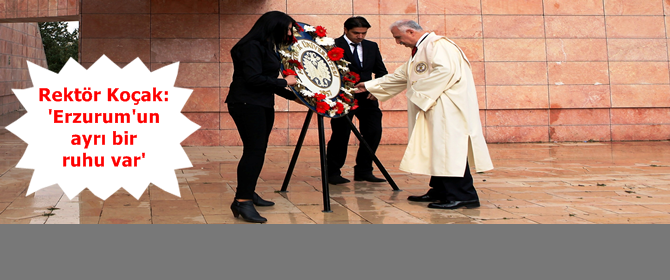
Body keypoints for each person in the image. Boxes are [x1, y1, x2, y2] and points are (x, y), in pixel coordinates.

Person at [355, 20, 494, 209]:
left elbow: (446, 71)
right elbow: (403, 76)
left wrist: (418, 94)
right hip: (435, 107)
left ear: (410, 31)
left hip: (447, 109)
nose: (398, 42)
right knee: (437, 149)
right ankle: (440, 191)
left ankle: (464, 195)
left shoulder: (439, 45)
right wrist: (369, 85)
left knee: (449, 151)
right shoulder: (422, 50)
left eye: (398, 38)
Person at [226, 11, 300, 223]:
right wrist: (286, 83)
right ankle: (242, 200)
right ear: (273, 26)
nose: (289, 33)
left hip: (262, 103)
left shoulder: (267, 47)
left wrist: (293, 96)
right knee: (254, 151)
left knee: (258, 150)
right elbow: (253, 79)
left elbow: (266, 80)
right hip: (247, 104)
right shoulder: (250, 47)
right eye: (287, 28)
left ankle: (249, 191)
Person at [326, 16, 389, 185]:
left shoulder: (371, 46)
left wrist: (377, 89)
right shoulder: (332, 45)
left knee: (373, 131)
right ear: (346, 30)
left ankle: (364, 170)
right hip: (343, 98)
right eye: (356, 33)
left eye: (364, 33)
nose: (360, 36)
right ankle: (332, 172)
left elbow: (381, 72)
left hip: (367, 97)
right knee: (341, 134)